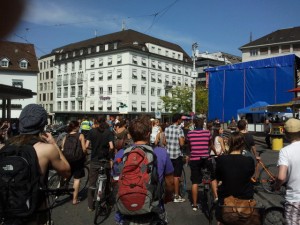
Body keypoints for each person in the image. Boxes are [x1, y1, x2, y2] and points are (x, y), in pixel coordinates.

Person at [2, 104, 71, 224]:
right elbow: (66, 172)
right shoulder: (46, 149)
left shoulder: (4, 147)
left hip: (7, 211)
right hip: (35, 213)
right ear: (42, 125)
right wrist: (54, 144)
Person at [113, 115, 174, 224]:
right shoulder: (161, 153)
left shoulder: (120, 155)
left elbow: (115, 182)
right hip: (152, 211)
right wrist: (168, 197)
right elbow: (169, 182)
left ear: (130, 135)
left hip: (125, 213)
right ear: (148, 134)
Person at [214, 132, 255, 224]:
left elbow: (218, 176)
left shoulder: (222, 160)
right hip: (245, 197)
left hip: (226, 197)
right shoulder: (249, 161)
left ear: (229, 143)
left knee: (221, 219)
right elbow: (250, 174)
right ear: (242, 144)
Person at [187, 118, 217, 211]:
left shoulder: (190, 134)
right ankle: (216, 196)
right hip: (205, 158)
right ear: (203, 125)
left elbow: (189, 146)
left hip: (194, 159)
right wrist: (215, 152)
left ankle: (195, 205)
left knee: (195, 182)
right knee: (212, 176)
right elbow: (210, 144)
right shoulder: (207, 133)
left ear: (195, 125)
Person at [85, 116, 114, 211]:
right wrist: (109, 155)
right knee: (107, 180)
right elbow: (111, 146)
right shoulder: (109, 132)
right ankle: (107, 202)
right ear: (105, 121)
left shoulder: (92, 131)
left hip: (94, 160)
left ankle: (90, 206)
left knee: (92, 182)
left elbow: (86, 145)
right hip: (105, 160)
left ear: (96, 122)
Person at [275, 118, 300, 225]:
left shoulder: (285, 151)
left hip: (294, 198)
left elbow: (281, 177)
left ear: (286, 133)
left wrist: (277, 186)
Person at [62, 120, 87, 205]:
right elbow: (84, 149)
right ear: (76, 127)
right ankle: (75, 200)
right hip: (77, 159)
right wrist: (86, 153)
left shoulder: (66, 136)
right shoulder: (80, 135)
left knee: (68, 174)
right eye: (79, 126)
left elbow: (63, 147)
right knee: (77, 179)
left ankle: (64, 185)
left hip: (67, 159)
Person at [164, 113, 185, 203]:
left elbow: (164, 142)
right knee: (177, 176)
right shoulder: (179, 129)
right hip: (176, 155)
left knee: (168, 175)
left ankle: (169, 194)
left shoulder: (167, 129)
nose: (182, 121)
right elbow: (181, 143)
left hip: (168, 155)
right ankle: (176, 195)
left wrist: (169, 145)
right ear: (178, 120)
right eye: (181, 119)